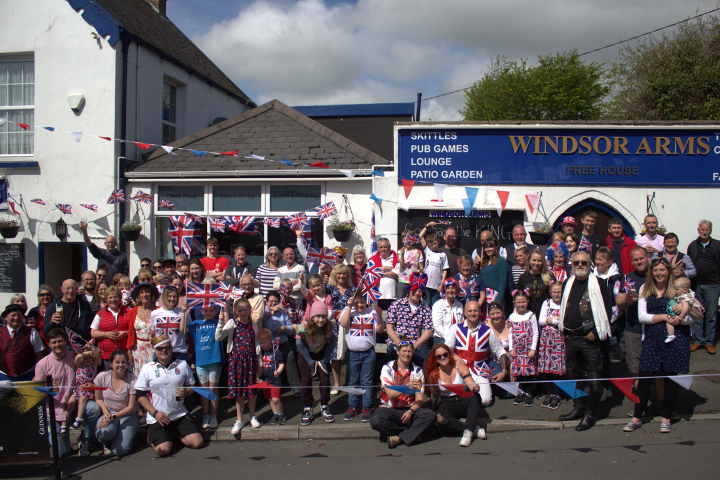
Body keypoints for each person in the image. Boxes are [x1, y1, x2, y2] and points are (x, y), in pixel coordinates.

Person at [623, 257, 703, 434]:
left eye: (662, 270)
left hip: (675, 339)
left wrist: (681, 315)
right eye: (656, 270)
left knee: (670, 381)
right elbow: (642, 316)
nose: (659, 273)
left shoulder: (679, 290)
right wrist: (665, 317)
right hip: (651, 339)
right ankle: (637, 417)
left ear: (669, 271)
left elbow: (694, 318)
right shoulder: (646, 288)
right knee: (644, 381)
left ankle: (666, 418)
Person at [557, 250, 612, 431]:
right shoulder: (568, 282)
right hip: (571, 337)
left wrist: (596, 332)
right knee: (573, 376)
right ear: (572, 265)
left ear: (590, 265)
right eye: (576, 263)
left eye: (584, 263)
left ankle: (590, 413)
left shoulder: (601, 284)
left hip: (590, 338)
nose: (580, 265)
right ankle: (579, 407)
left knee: (595, 379)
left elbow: (607, 311)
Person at [34, 328, 101, 457]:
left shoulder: (74, 356)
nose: (57, 344)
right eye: (54, 342)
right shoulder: (42, 364)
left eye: (60, 341)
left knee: (94, 408)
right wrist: (47, 388)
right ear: (49, 344)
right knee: (63, 452)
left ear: (65, 341)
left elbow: (93, 359)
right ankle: (50, 431)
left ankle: (84, 440)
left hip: (74, 401)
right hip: (55, 408)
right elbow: (37, 390)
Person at [135, 335, 202, 456]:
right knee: (164, 451)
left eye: (166, 347)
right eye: (160, 349)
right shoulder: (147, 368)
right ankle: (154, 436)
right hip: (158, 416)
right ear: (155, 351)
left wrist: (187, 392)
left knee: (197, 443)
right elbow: (140, 395)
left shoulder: (182, 364)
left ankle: (173, 434)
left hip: (179, 414)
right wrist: (155, 413)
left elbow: (192, 385)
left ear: (171, 348)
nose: (163, 351)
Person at [371, 337, 435, 449]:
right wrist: (407, 388)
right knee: (376, 421)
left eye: (410, 351)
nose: (407, 354)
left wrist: (411, 411)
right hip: (388, 408)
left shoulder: (417, 371)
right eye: (404, 351)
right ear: (397, 352)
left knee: (430, 415)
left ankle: (399, 438)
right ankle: (412, 434)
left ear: (413, 353)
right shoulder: (387, 368)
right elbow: (390, 394)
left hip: (408, 409)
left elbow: (419, 399)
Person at [445, 300, 509, 407]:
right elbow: (446, 350)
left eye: (475, 311)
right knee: (452, 397)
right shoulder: (455, 328)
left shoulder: (488, 331)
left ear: (480, 312)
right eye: (470, 311)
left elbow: (500, 351)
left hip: (480, 370)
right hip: (459, 369)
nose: (472, 313)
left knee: (485, 401)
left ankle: (477, 393)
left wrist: (503, 370)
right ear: (465, 313)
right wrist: (456, 358)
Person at [425, 343, 486, 447]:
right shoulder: (434, 374)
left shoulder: (459, 366)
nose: (443, 357)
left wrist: (474, 387)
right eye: (439, 356)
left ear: (450, 354)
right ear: (435, 359)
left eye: (445, 354)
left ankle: (467, 432)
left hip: (463, 399)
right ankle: (471, 429)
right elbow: (434, 397)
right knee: (440, 418)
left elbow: (469, 381)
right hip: (447, 402)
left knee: (475, 396)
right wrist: (436, 413)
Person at [339, 291, 384, 422]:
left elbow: (380, 330)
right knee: (353, 382)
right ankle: (352, 406)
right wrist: (348, 307)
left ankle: (366, 407)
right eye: (357, 302)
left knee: (367, 382)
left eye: (362, 302)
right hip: (352, 353)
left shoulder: (372, 312)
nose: (360, 305)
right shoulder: (348, 311)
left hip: (368, 353)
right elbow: (343, 323)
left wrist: (380, 317)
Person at [217, 298, 260, 433]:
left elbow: (257, 345)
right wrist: (220, 321)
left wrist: (260, 364)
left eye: (245, 310)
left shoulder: (254, 325)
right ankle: (240, 419)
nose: (243, 313)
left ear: (249, 310)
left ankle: (252, 416)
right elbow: (218, 337)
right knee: (239, 392)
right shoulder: (232, 323)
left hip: (251, 361)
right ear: (235, 311)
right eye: (240, 310)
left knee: (252, 390)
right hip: (236, 362)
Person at [293, 302, 337, 426]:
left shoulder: (329, 325)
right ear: (312, 317)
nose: (321, 319)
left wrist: (325, 359)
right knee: (306, 380)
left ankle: (324, 405)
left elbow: (333, 339)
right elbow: (298, 343)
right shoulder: (305, 326)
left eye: (323, 316)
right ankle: (307, 407)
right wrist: (310, 362)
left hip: (321, 352)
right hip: (306, 353)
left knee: (325, 379)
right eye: (318, 316)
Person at [181, 301, 223, 429]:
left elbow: (226, 327)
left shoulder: (218, 323)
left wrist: (224, 312)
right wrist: (184, 312)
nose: (208, 312)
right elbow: (183, 329)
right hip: (200, 362)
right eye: (206, 310)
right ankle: (206, 415)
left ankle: (213, 414)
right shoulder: (196, 324)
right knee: (204, 391)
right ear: (201, 312)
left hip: (215, 360)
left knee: (213, 390)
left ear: (215, 311)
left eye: (211, 310)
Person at [94, 350, 139, 457]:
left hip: (128, 415)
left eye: (123, 362)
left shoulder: (133, 380)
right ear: (111, 364)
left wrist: (113, 417)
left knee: (120, 451)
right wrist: (106, 414)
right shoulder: (102, 377)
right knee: (103, 433)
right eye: (117, 362)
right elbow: (98, 399)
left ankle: (125, 436)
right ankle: (108, 441)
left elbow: (132, 407)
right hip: (109, 413)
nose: (120, 365)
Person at [615, 247, 650, 379]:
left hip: (654, 328)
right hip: (633, 328)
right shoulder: (628, 279)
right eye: (636, 260)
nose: (639, 262)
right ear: (632, 262)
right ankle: (639, 395)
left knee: (654, 366)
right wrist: (626, 300)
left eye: (642, 258)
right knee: (635, 368)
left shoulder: (656, 275)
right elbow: (619, 300)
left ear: (648, 258)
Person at [386, 272, 434, 365]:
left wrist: (414, 346)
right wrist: (400, 344)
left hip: (416, 343)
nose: (417, 293)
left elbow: (429, 331)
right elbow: (389, 327)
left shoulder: (425, 309)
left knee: (426, 361)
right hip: (397, 340)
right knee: (392, 359)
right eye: (415, 289)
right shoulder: (396, 304)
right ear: (409, 290)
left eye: (420, 291)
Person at [687, 220, 720, 354]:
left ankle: (709, 342)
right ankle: (698, 340)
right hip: (697, 284)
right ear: (698, 230)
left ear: (710, 231)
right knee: (697, 313)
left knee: (711, 315)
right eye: (702, 229)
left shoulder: (717, 245)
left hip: (713, 285)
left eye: (707, 230)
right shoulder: (693, 246)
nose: (705, 232)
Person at [263, 290, 301, 397]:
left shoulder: (282, 312)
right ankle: (271, 389)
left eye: (276, 301)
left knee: (290, 357)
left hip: (282, 341)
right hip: (268, 344)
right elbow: (262, 320)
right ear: (266, 302)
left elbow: (291, 328)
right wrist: (272, 312)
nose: (273, 303)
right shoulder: (263, 312)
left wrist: (284, 328)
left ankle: (296, 387)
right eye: (271, 301)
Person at [326, 264, 356, 395]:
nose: (341, 276)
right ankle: (336, 384)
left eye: (344, 274)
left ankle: (351, 382)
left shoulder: (353, 290)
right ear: (334, 275)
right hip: (334, 324)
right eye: (339, 273)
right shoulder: (329, 289)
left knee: (350, 353)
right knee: (335, 355)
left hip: (350, 324)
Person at [537, 282, 566, 409]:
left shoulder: (565, 303)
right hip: (547, 340)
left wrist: (552, 320)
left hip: (560, 340)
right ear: (550, 292)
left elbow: (565, 322)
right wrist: (556, 319)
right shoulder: (546, 303)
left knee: (558, 368)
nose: (556, 294)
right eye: (554, 291)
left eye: (559, 291)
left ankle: (557, 394)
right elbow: (541, 320)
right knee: (548, 367)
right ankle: (549, 393)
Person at [508, 290, 539, 407]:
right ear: (514, 303)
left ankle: (529, 393)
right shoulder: (511, 317)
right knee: (519, 373)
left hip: (528, 350)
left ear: (528, 302)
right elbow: (510, 334)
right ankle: (520, 392)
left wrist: (533, 349)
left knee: (528, 373)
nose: (521, 304)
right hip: (517, 351)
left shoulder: (531, 315)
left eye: (524, 302)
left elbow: (535, 333)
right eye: (518, 302)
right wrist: (511, 349)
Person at [63, 344, 102, 434]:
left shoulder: (93, 366)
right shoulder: (79, 366)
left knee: (83, 399)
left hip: (87, 391)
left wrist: (92, 348)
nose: (88, 360)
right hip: (77, 390)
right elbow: (77, 358)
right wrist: (86, 353)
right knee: (70, 404)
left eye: (90, 357)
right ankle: (64, 425)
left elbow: (98, 355)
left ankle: (79, 419)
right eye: (85, 357)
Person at [0, 303, 44, 381]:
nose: (16, 318)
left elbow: (39, 356)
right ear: (6, 317)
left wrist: (37, 374)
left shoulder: (32, 332)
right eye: (13, 315)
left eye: (19, 315)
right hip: (3, 376)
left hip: (27, 376)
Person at [90, 286, 131, 369]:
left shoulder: (128, 311)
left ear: (120, 298)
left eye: (115, 297)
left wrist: (125, 333)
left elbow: (134, 329)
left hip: (124, 354)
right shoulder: (100, 313)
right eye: (110, 297)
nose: (113, 300)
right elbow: (93, 332)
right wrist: (106, 334)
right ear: (106, 299)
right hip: (107, 355)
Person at [126, 282, 159, 374]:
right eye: (142, 292)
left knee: (154, 374)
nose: (144, 295)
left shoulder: (158, 311)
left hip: (154, 349)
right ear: (138, 296)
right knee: (139, 376)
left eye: (147, 292)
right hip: (138, 348)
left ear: (151, 295)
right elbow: (130, 333)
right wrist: (129, 351)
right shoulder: (133, 311)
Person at [257, 328, 286, 425]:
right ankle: (275, 414)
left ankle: (281, 415)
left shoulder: (276, 352)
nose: (262, 345)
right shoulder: (260, 353)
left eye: (264, 343)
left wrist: (278, 371)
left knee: (276, 399)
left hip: (275, 381)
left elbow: (281, 364)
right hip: (265, 381)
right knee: (270, 399)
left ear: (270, 341)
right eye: (260, 343)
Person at [150, 287, 187, 361]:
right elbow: (153, 333)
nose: (172, 299)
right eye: (169, 296)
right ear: (164, 297)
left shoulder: (183, 312)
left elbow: (188, 333)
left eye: (174, 296)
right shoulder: (155, 313)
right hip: (160, 350)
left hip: (178, 351)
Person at [516, 249, 554, 319]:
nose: (536, 263)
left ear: (543, 262)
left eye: (539, 261)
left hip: (546, 315)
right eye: (534, 260)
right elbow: (518, 298)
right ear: (529, 261)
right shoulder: (523, 277)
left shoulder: (550, 277)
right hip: (528, 315)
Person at [666, 276, 703, 343]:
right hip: (691, 319)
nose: (675, 290)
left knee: (669, 322)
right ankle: (692, 330)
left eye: (677, 289)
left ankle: (671, 335)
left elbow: (686, 307)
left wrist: (681, 316)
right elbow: (696, 301)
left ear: (685, 289)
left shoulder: (683, 298)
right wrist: (701, 307)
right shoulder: (690, 294)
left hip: (685, 318)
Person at [418, 226, 450, 306]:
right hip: (426, 283)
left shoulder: (443, 255)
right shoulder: (428, 251)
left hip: (437, 285)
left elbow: (445, 269)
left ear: (438, 241)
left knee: (435, 305)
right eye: (431, 245)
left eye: (435, 243)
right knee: (426, 304)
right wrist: (427, 226)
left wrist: (442, 283)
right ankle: (426, 318)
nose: (434, 246)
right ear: (428, 245)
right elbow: (420, 236)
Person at [369, 238, 401, 311]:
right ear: (378, 248)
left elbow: (397, 274)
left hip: (392, 296)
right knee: (377, 319)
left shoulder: (396, 258)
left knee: (392, 320)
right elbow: (371, 272)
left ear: (389, 247)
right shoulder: (373, 259)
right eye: (381, 247)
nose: (383, 249)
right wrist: (386, 268)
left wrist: (379, 271)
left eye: (385, 247)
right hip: (377, 297)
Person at [476, 238, 509, 308]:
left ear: (496, 247)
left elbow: (503, 282)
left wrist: (498, 300)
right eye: (486, 247)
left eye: (490, 247)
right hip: (484, 296)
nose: (488, 249)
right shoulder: (485, 262)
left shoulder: (501, 261)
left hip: (495, 296)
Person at [431, 278, 463, 346]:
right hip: (441, 338)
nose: (450, 290)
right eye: (448, 288)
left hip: (457, 338)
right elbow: (437, 326)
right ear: (444, 290)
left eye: (453, 288)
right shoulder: (438, 304)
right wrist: (450, 338)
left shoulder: (460, 305)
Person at [398, 230, 424, 296]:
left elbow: (421, 267)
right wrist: (402, 255)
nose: (408, 242)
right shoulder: (400, 252)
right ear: (403, 241)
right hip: (402, 281)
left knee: (413, 299)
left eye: (409, 240)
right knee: (401, 300)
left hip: (414, 281)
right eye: (406, 240)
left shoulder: (418, 252)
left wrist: (420, 278)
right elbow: (402, 266)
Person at [27, 284, 54, 348]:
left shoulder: (56, 310)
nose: (45, 297)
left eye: (48, 294)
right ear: (39, 297)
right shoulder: (34, 311)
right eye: (42, 295)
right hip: (38, 346)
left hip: (54, 345)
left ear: (52, 296)